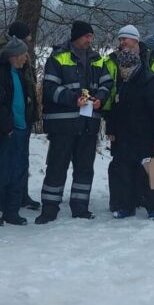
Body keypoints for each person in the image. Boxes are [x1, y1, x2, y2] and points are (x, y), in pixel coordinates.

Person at [36, 20, 113, 223]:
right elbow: (51, 88)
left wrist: (100, 99)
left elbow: (107, 83)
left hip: (89, 123)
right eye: (87, 36)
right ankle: (49, 208)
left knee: (85, 166)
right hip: (63, 124)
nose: (90, 40)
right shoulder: (58, 57)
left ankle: (80, 206)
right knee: (57, 166)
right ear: (77, 37)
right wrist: (73, 99)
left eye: (91, 36)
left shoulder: (97, 59)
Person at [103, 24, 154, 211]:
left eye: (126, 38)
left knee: (147, 170)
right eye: (120, 39)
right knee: (123, 169)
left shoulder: (149, 75)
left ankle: (152, 206)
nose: (122, 42)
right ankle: (125, 204)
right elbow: (116, 105)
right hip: (124, 131)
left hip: (144, 131)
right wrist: (111, 128)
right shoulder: (120, 79)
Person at [0, 38, 35, 226]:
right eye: (24, 54)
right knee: (1, 171)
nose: (27, 58)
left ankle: (12, 211)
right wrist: (7, 127)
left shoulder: (19, 72)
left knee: (18, 171)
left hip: (21, 129)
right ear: (15, 55)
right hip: (5, 132)